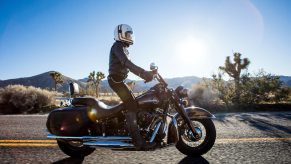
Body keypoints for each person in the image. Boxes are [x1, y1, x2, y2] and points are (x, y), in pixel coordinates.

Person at [108, 24, 155, 150]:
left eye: (130, 35)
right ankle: (137, 141)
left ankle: (136, 132)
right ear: (120, 34)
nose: (130, 37)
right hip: (115, 80)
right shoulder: (117, 46)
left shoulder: (123, 48)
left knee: (135, 103)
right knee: (132, 105)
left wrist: (148, 74)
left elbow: (128, 65)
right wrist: (143, 73)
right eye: (127, 34)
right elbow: (126, 63)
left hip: (119, 80)